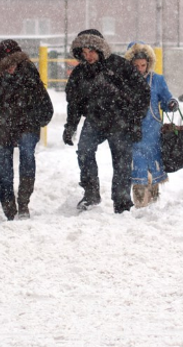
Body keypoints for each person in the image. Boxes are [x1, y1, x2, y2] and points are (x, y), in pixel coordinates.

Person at [63, 30, 148, 214]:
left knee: (122, 162)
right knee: (84, 151)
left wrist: (134, 121)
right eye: (84, 53)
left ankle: (122, 201)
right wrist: (70, 126)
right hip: (94, 120)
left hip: (120, 120)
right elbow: (74, 102)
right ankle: (91, 193)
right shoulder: (80, 73)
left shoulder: (119, 65)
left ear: (100, 49)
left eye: (91, 51)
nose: (88, 56)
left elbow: (142, 92)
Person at [0, 40, 52, 220]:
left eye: (13, 64)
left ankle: (23, 202)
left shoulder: (30, 75)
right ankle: (9, 207)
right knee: (5, 170)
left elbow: (45, 105)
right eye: (6, 65)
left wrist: (35, 121)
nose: (10, 69)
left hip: (26, 124)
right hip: (2, 127)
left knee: (27, 154)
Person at [123, 43, 176, 208]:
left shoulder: (157, 80)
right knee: (138, 168)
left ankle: (153, 201)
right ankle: (140, 204)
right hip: (133, 132)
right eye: (136, 65)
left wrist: (171, 103)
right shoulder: (125, 81)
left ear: (148, 63)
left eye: (143, 65)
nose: (139, 68)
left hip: (153, 133)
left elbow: (167, 100)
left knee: (154, 167)